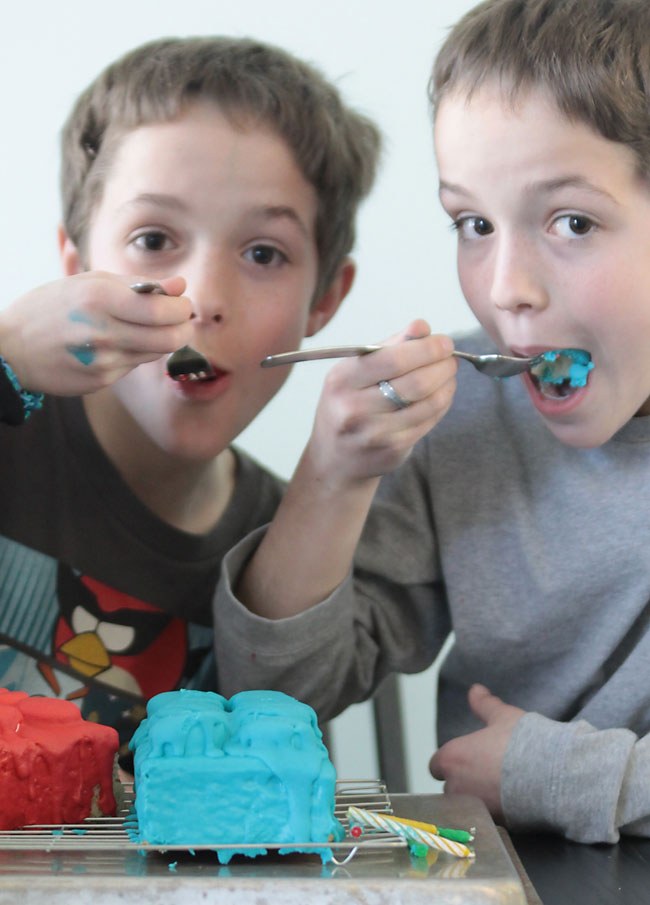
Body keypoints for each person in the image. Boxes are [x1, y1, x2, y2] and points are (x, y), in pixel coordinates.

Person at [213, 0, 650, 844]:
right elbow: (273, 703)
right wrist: (333, 476)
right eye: (473, 224)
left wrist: (552, 774)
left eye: (572, 221)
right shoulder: (462, 418)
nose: (506, 288)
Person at [0, 36, 381, 765]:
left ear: (325, 299)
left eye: (263, 253)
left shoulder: (292, 554)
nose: (203, 298)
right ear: (77, 266)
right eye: (153, 238)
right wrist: (6, 351)